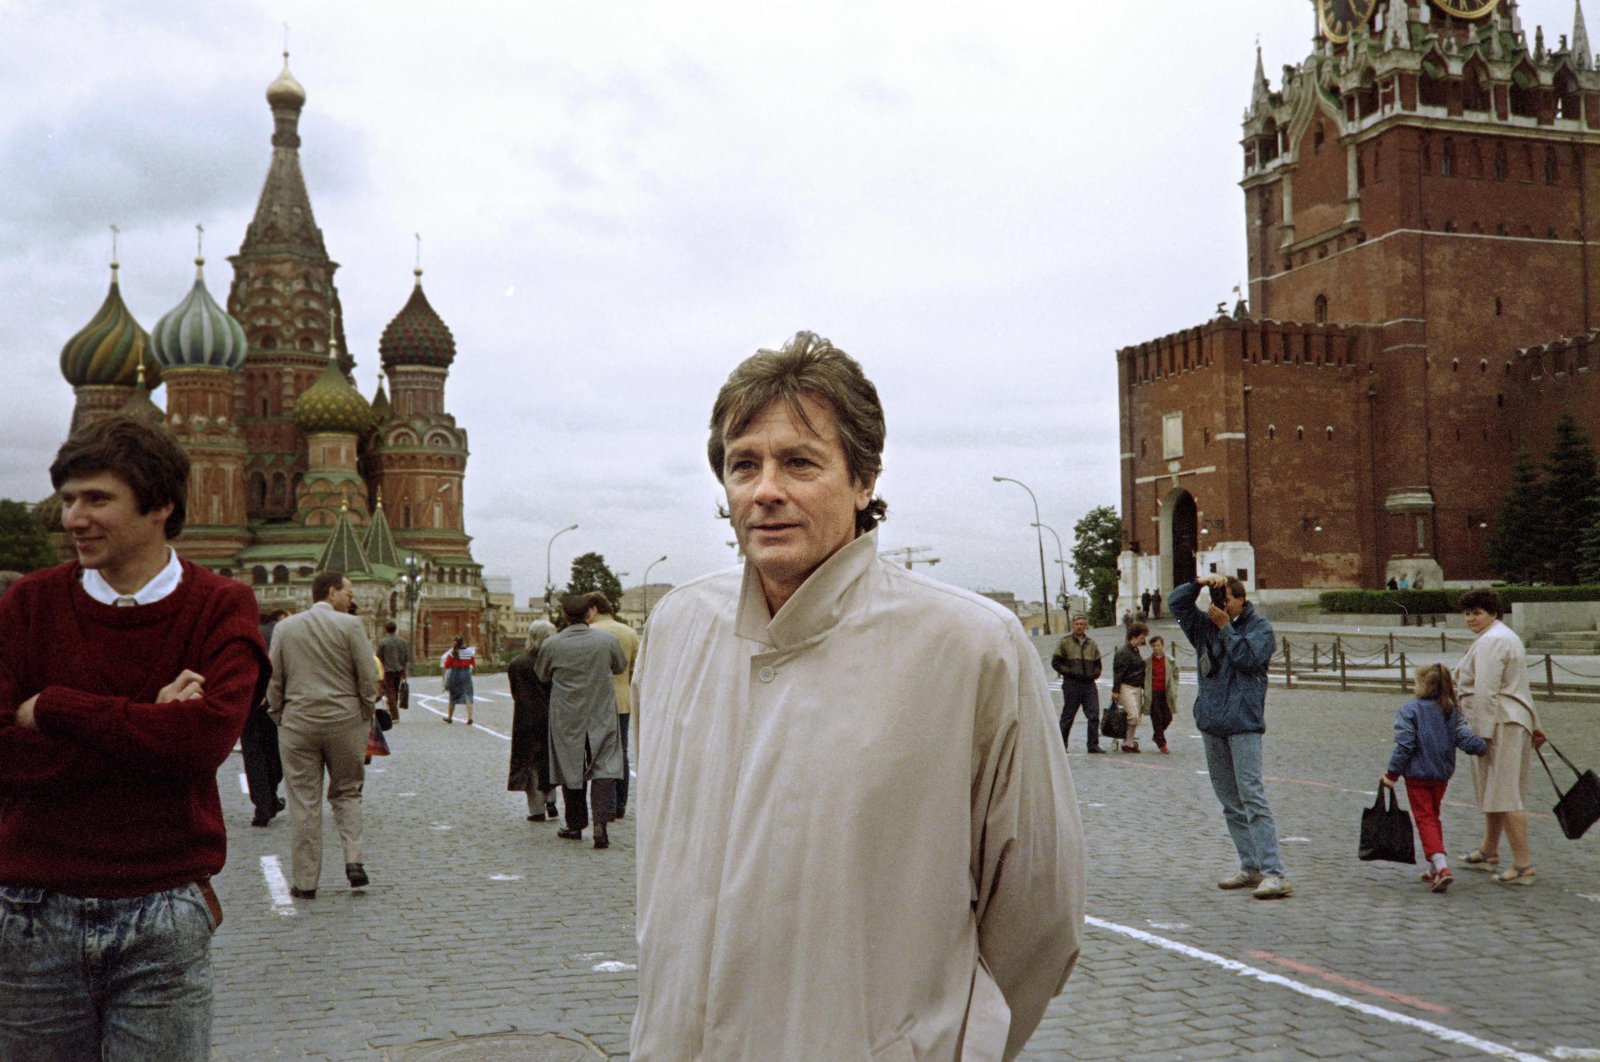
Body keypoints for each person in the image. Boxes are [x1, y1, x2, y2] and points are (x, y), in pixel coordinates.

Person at [632, 332, 1083, 1061]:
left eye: (800, 462)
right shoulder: (678, 628)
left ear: (863, 480)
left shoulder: (972, 647)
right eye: (743, 464)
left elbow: (1039, 913)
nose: (765, 489)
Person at [0, 415, 268, 1058]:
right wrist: (148, 718)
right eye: (68, 499)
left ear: (160, 506)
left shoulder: (220, 605)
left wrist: (57, 707)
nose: (73, 519)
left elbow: (200, 746)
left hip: (164, 913)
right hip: (32, 910)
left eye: (97, 499)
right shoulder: (28, 604)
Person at [1169, 573, 1292, 899]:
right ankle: (1250, 866)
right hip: (1212, 722)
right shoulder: (1202, 626)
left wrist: (1226, 627)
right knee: (1230, 802)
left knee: (1252, 797)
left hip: (1243, 724)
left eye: (1226, 599)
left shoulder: (1260, 629)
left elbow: (1248, 659)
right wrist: (1198, 583)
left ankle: (1274, 872)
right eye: (1217, 599)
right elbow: (1175, 603)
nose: (1220, 605)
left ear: (1241, 599)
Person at [267, 570, 379, 899]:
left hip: (298, 722)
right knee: (347, 792)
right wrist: (365, 712)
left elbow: (275, 678)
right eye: (349, 592)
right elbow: (366, 674)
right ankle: (354, 861)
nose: (352, 598)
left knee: (304, 801)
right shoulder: (351, 626)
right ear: (332, 593)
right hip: (345, 720)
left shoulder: (285, 628)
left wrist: (279, 713)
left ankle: (305, 882)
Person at [1454, 588, 1543, 886]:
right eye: (1467, 613)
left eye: (1477, 612)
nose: (1470, 618)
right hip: (1511, 719)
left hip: (1499, 724)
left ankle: (1522, 865)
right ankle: (1488, 850)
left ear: (1494, 613)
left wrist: (1481, 735)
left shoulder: (1492, 641)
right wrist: (1535, 722)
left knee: (1505, 794)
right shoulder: (1503, 636)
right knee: (1495, 790)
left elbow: (1487, 692)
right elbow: (1521, 686)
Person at [1380, 664, 1489, 893]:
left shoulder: (1410, 710)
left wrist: (1391, 775)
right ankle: (1434, 865)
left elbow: (1405, 745)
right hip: (1441, 775)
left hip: (1417, 776)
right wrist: (1483, 747)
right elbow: (1464, 737)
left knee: (1425, 819)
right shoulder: (1451, 710)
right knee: (1434, 816)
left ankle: (1441, 866)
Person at [536, 595, 627, 849]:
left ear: (565, 616)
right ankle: (601, 824)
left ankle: (575, 825)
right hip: (601, 712)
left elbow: (542, 674)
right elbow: (620, 666)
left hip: (567, 715)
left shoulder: (552, 645)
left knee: (570, 767)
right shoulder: (607, 641)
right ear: (589, 615)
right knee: (605, 766)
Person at [585, 591, 639, 818]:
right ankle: (620, 805)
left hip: (595, 702)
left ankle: (604, 805)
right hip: (622, 700)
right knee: (621, 752)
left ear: (594, 609)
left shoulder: (589, 633)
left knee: (597, 754)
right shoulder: (629, 632)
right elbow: (636, 669)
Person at [507, 620, 559, 822]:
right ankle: (551, 799)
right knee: (548, 759)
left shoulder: (518, 663)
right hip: (550, 716)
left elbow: (515, 692)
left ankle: (536, 809)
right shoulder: (552, 663)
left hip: (525, 718)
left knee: (530, 763)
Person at [243, 608, 289, 826]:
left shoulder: (249, 634)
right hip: (275, 701)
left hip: (249, 702)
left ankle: (262, 805)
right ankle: (270, 796)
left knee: (253, 755)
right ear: (280, 617)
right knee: (275, 752)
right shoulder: (284, 634)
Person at [1052, 613, 1105, 754]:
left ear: (1086, 625)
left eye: (1082, 624)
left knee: (1093, 715)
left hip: (1089, 685)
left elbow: (1098, 663)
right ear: (1072, 625)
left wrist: (1094, 674)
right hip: (1072, 684)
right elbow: (1056, 663)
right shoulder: (1064, 642)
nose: (1079, 627)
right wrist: (1069, 672)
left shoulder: (1092, 644)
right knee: (1068, 716)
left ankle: (1093, 745)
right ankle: (1061, 745)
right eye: (1077, 624)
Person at [1112, 620, 1148, 753]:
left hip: (1136, 687)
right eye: (1141, 638)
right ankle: (1125, 740)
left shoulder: (1134, 650)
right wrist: (1116, 690)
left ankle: (1129, 741)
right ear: (1133, 636)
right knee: (1132, 715)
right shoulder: (1124, 652)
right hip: (1126, 687)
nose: (1143, 640)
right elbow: (1118, 673)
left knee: (1136, 716)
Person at [1143, 633, 1179, 754]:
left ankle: (1157, 735)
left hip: (1166, 692)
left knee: (1168, 717)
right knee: (1157, 717)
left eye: (1158, 645)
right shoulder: (1148, 662)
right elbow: (1144, 676)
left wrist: (1174, 687)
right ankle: (1162, 743)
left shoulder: (1169, 660)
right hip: (1153, 693)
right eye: (1154, 646)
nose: (1156, 648)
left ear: (1163, 645)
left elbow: (1175, 674)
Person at [376, 620, 410, 725]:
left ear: (386, 629)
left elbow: (379, 657)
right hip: (399, 670)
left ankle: (395, 715)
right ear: (396, 629)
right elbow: (405, 658)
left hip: (387, 671)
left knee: (390, 692)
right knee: (394, 691)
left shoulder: (383, 642)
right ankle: (393, 710)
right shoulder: (402, 641)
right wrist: (405, 671)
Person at [441, 635, 476, 724]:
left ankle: (450, 717)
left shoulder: (452, 653)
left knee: (452, 696)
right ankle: (470, 717)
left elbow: (447, 665)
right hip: (466, 673)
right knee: (468, 695)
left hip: (455, 674)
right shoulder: (469, 652)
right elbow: (473, 663)